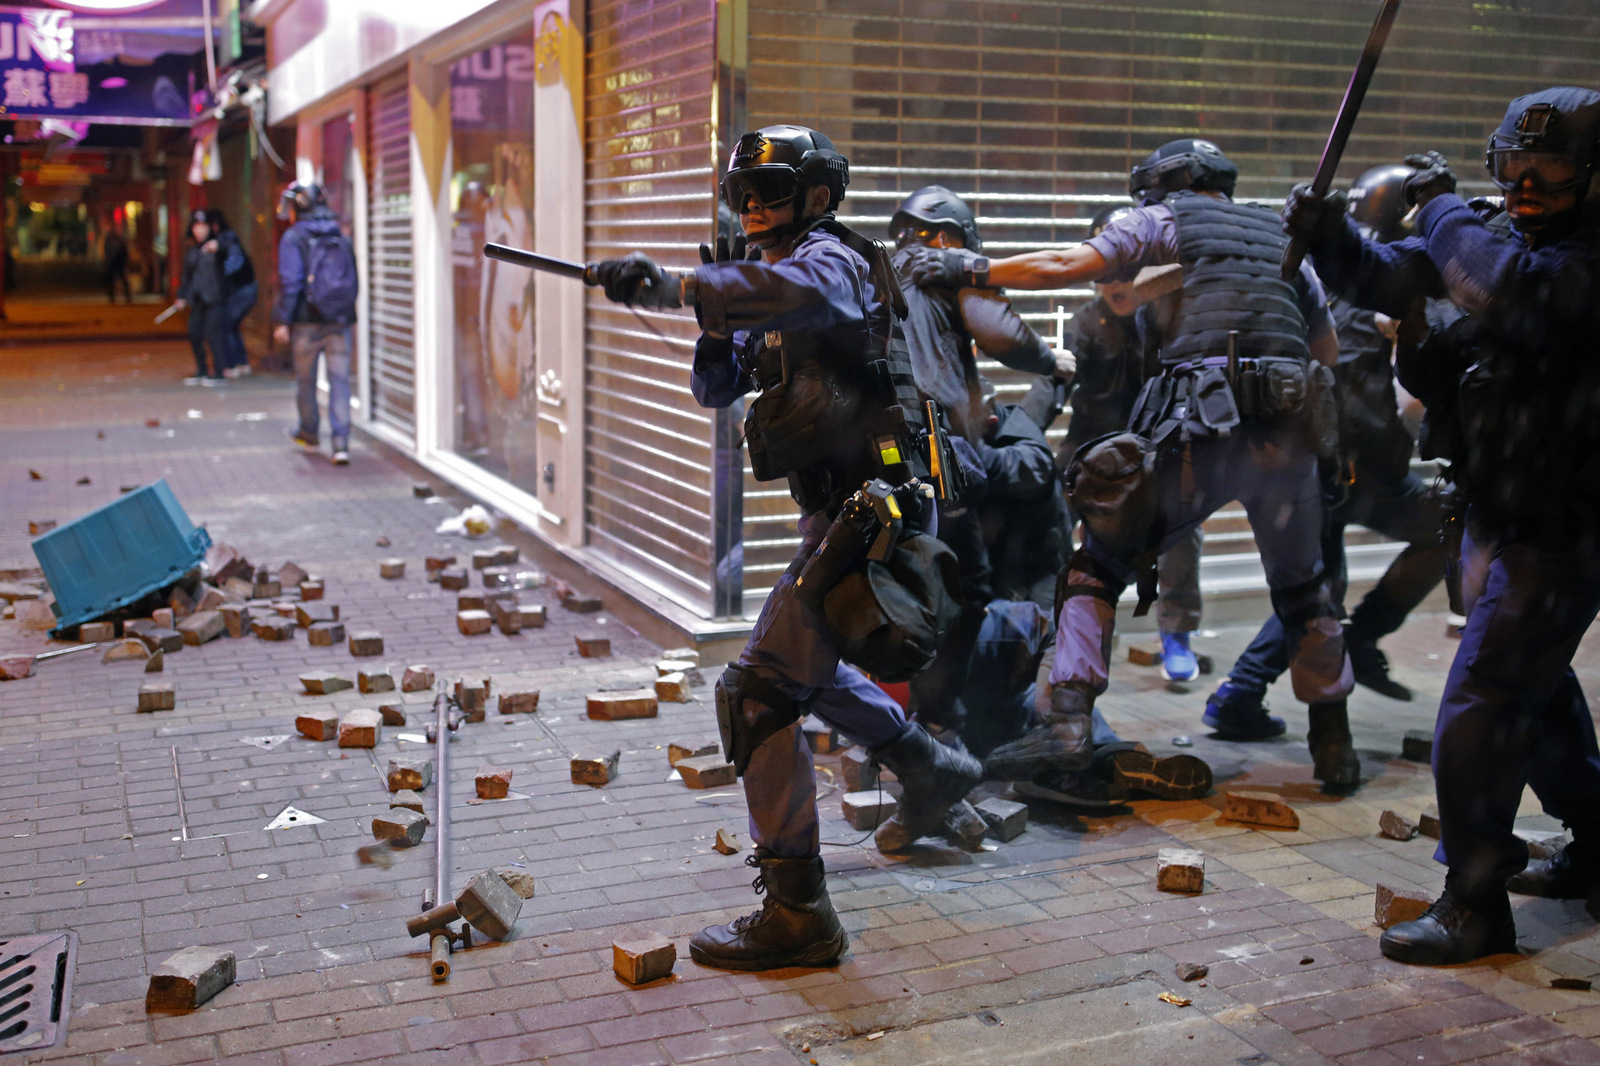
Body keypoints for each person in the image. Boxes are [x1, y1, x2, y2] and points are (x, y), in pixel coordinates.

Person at [587, 125, 984, 972]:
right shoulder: (766, 273)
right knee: (807, 669)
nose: (758, 206)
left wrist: (683, 284)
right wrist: (710, 313)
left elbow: (802, 295)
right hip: (839, 517)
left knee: (759, 691)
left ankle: (800, 913)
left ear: (817, 195)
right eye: (746, 193)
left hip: (877, 513)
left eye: (774, 191)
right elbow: (716, 386)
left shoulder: (829, 261)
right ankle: (931, 767)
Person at [907, 138, 1357, 791]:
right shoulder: (1282, 238)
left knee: (1095, 570)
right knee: (1304, 590)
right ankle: (1335, 745)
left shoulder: (1164, 220)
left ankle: (1067, 724)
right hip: (1284, 439)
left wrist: (962, 268)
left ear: (1158, 188)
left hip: (1200, 427)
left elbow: (1067, 262)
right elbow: (1327, 348)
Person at [1283, 87, 1600, 965]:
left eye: (1553, 170)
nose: (1527, 187)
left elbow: (1496, 284)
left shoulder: (1565, 262)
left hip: (1562, 523)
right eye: (1513, 168)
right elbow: (1397, 274)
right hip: (1496, 507)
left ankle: (1474, 899)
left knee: (1484, 700)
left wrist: (1444, 204)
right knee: (1532, 696)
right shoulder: (1508, 239)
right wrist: (1332, 236)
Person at [1206, 165, 1448, 737]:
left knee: (1319, 588)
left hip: (1330, 465)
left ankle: (1249, 691)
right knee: (1320, 591)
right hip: (1348, 469)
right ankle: (1267, 688)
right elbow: (1353, 392)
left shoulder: (1337, 268)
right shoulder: (1377, 282)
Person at [888, 186, 1068, 738]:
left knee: (900, 576)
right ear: (946, 236)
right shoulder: (940, 268)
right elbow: (1004, 334)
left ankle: (898, 717)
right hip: (937, 450)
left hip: (878, 452)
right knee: (962, 590)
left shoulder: (872, 271)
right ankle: (937, 724)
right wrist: (1050, 361)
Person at [1049, 204, 1206, 683]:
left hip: (1158, 449)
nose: (1116, 284)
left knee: (1183, 528)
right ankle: (1054, 629)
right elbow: (1054, 385)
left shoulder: (1175, 321)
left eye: (1129, 271)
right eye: (1106, 273)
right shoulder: (1083, 324)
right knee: (1047, 515)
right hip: (1088, 449)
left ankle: (1176, 632)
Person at [273, 182, 358, 465]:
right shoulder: (340, 233)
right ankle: (341, 443)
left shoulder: (293, 237)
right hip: (340, 319)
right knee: (340, 382)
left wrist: (283, 320)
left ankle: (309, 433)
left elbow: (292, 281)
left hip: (307, 321)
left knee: (306, 381)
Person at [174, 209, 228, 387]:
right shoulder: (192, 250)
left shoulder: (218, 245)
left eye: (203, 226)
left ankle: (219, 372)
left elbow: (229, 249)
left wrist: (218, 247)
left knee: (214, 335)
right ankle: (202, 370)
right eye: (196, 227)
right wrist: (182, 296)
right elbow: (187, 276)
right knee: (195, 333)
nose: (200, 231)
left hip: (214, 299)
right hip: (197, 299)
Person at [206, 209, 258, 379]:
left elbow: (232, 266)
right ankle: (241, 363)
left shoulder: (225, 240)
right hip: (246, 288)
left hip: (242, 290)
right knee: (232, 327)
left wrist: (217, 251)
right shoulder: (228, 238)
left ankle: (233, 364)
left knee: (227, 326)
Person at [102, 225, 130, 304]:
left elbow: (124, 251)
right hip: (116, 262)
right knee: (117, 279)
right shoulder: (116, 239)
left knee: (116, 279)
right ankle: (115, 297)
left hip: (116, 262)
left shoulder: (113, 239)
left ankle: (114, 297)